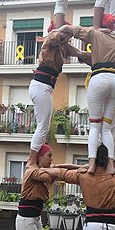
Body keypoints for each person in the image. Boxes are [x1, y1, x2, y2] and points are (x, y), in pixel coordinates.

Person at [59, 22, 115, 173]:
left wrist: (59, 31)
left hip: (99, 78)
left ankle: (92, 163)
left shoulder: (95, 34)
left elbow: (70, 29)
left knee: (95, 126)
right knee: (107, 128)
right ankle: (110, 165)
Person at [27, 30, 90, 167]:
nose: (69, 39)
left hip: (43, 88)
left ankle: (38, 156)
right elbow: (55, 37)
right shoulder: (51, 42)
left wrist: (89, 56)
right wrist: (65, 32)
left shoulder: (60, 49)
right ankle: (31, 160)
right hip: (40, 86)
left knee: (44, 125)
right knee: (43, 125)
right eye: (68, 36)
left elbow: (77, 53)